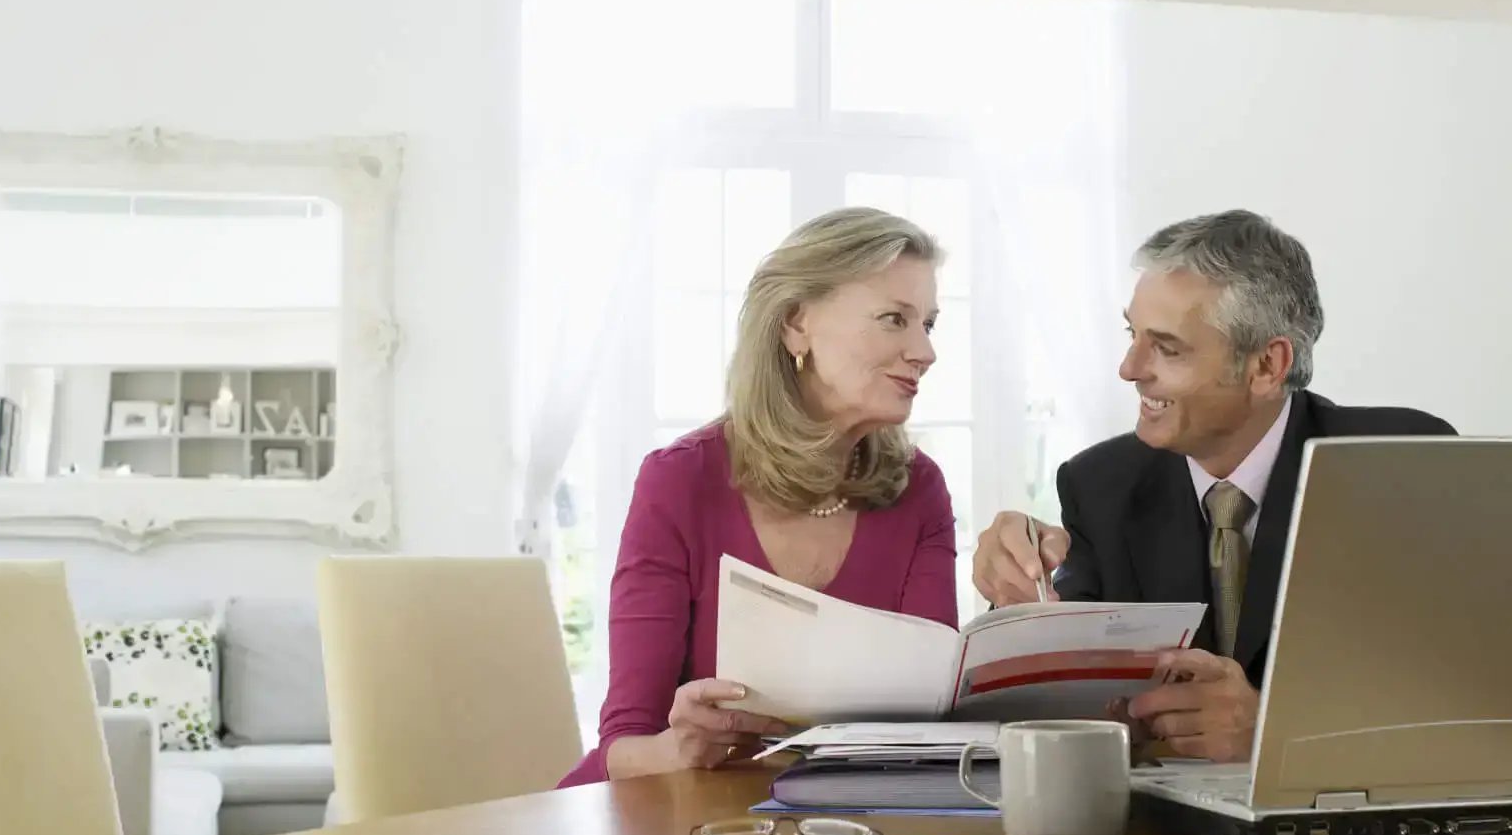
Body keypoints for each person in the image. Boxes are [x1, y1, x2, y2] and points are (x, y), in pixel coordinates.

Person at [972, 210, 1453, 763]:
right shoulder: (1100, 484)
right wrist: (1019, 596)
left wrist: (1273, 733)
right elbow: (1067, 690)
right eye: (1132, 335)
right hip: (1166, 833)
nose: (1129, 369)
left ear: (1268, 365)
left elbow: (1464, 693)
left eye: (1167, 348)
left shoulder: (1400, 463)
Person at [558, 207, 958, 786]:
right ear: (796, 323)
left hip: (842, 826)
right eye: (894, 319)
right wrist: (683, 748)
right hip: (663, 818)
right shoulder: (680, 481)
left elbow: (927, 723)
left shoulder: (920, 490)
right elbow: (625, 747)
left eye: (929, 323)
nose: (925, 351)